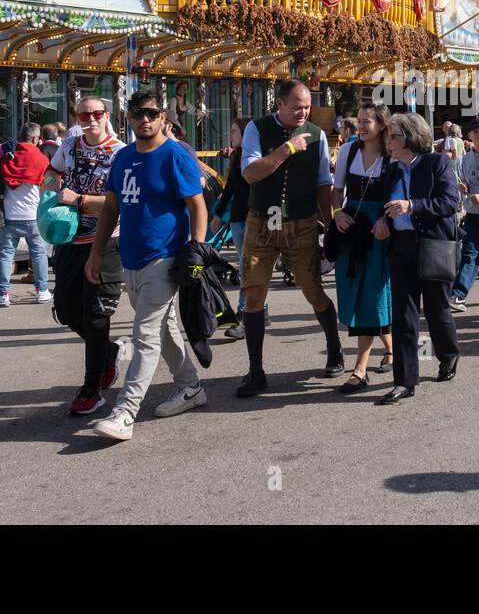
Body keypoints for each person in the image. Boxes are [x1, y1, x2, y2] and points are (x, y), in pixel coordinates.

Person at [89, 92, 208, 442]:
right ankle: (191, 387)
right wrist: (96, 254)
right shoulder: (123, 158)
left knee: (145, 336)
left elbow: (197, 206)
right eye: (138, 113)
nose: (145, 119)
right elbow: (110, 209)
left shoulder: (175, 156)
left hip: (165, 257)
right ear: (128, 118)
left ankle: (125, 413)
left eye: (152, 113)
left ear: (163, 118)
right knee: (164, 330)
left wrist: (196, 252)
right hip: (131, 259)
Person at [235, 79, 344, 399]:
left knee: (314, 294)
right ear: (279, 104)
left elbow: (323, 183)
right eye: (297, 107)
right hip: (261, 223)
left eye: (307, 107)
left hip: (301, 224)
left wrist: (331, 222)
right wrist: (285, 150)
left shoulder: (318, 134)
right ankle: (256, 370)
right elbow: (250, 173)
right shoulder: (257, 129)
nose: (303, 112)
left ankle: (334, 349)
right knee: (253, 295)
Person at [45, 96, 130, 417]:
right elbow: (51, 175)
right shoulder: (70, 145)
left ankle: (91, 389)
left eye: (96, 114)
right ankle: (108, 352)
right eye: (84, 114)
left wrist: (78, 199)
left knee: (96, 315)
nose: (90, 119)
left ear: (107, 116)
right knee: (66, 311)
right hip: (69, 238)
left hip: (107, 239)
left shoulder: (121, 152)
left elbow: (118, 203)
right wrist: (53, 188)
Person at [374, 112, 461, 405]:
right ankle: (404, 380)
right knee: (403, 318)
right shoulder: (392, 169)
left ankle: (448, 355)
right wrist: (382, 221)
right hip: (401, 248)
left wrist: (412, 206)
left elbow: (450, 202)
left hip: (433, 246)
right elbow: (384, 205)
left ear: (410, 138)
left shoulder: (437, 163)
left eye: (393, 136)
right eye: (388, 135)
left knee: (437, 311)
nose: (388, 141)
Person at [329, 103, 394, 393]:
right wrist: (337, 214)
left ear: (382, 124)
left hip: (378, 230)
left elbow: (398, 194)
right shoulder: (348, 151)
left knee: (372, 293)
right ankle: (392, 350)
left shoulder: (391, 154)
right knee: (356, 289)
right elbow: (336, 192)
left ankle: (360, 369)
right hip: (351, 227)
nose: (362, 126)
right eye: (360, 121)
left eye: (368, 121)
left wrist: (385, 219)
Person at [212, 118, 266, 339]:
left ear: (247, 133)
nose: (231, 135)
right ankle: (262, 310)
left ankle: (245, 315)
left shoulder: (258, 158)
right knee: (248, 268)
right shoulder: (236, 156)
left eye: (235, 131)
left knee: (247, 269)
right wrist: (217, 214)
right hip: (236, 219)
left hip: (254, 219)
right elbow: (230, 189)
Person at [0, 124, 53, 307]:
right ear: (34, 139)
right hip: (33, 216)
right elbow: (48, 185)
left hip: (7, 216)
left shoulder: (6, 155)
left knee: (5, 255)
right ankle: (42, 291)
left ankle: (2, 295)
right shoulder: (39, 158)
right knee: (39, 253)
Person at [450, 121, 479, 312]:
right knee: (469, 254)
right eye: (475, 132)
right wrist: (464, 188)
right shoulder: (465, 158)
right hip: (472, 214)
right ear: (469, 135)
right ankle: (458, 294)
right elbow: (465, 180)